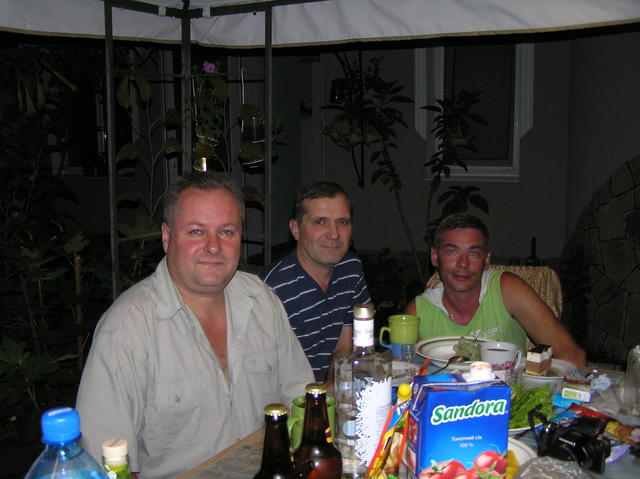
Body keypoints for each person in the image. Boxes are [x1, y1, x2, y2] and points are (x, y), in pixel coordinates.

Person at [76, 172, 313, 479]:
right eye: (197, 231)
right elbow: (104, 463)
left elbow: (302, 402)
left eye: (226, 231)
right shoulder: (126, 330)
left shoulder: (262, 302)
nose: (213, 246)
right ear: (167, 237)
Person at [405, 213, 586, 366]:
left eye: (474, 253)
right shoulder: (417, 313)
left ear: (486, 260)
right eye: (452, 252)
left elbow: (572, 356)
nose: (463, 264)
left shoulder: (507, 289)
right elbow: (406, 374)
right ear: (435, 257)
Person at [260, 181, 371, 384]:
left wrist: (331, 392)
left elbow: (344, 348)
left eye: (342, 222)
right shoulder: (271, 289)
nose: (334, 234)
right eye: (320, 222)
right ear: (296, 229)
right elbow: (265, 377)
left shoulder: (351, 270)